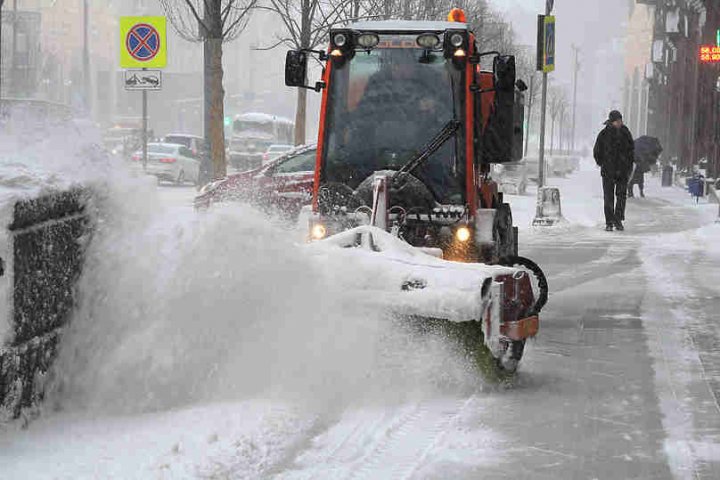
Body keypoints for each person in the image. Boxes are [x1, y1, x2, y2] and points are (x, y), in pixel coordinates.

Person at [593, 110, 634, 231]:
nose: (620, 122)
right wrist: (602, 163)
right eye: (617, 121)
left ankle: (618, 219)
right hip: (608, 171)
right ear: (612, 121)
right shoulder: (603, 134)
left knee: (621, 196)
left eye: (620, 120)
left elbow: (631, 150)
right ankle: (609, 222)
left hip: (622, 171)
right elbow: (597, 151)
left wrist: (628, 164)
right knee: (608, 197)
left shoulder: (626, 133)